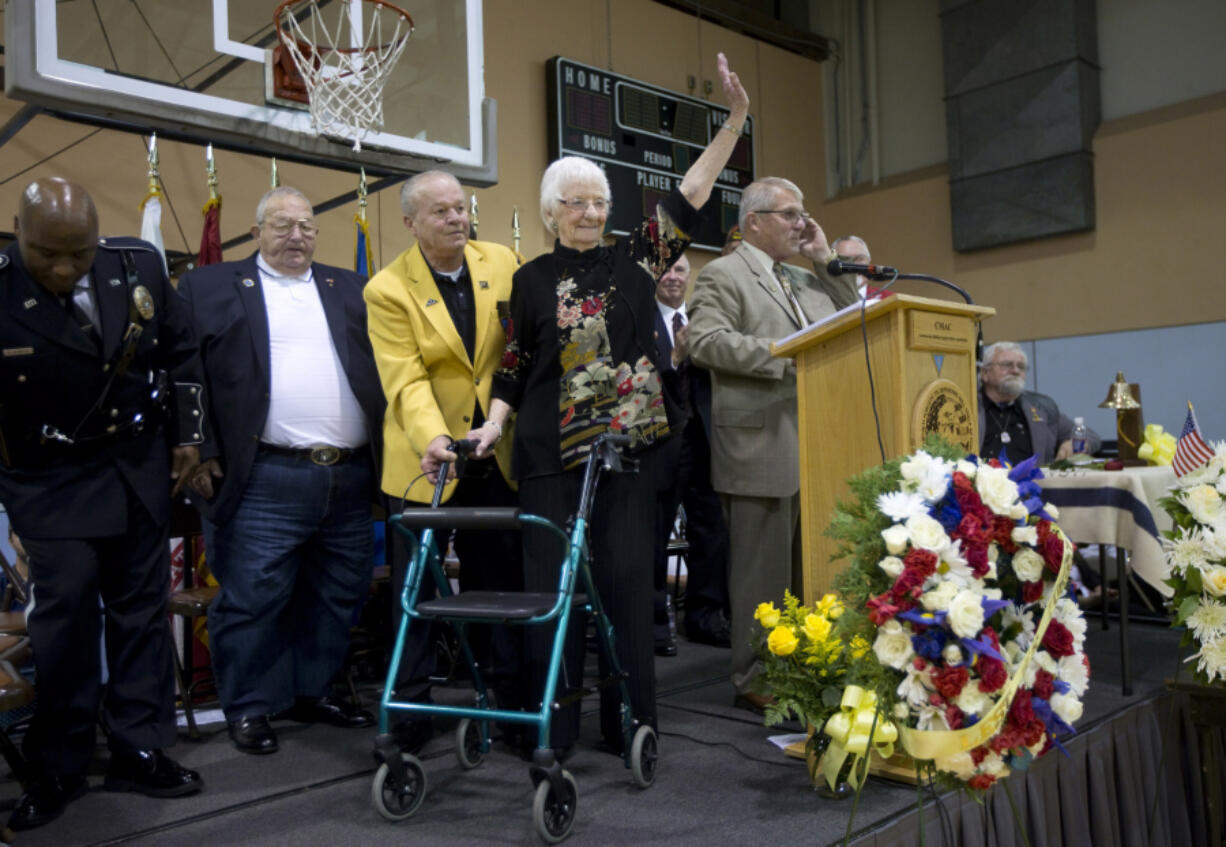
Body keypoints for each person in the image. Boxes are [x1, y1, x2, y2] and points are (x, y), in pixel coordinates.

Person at [468, 52, 749, 757]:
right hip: (544, 456)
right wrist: (493, 424)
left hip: (625, 454)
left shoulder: (637, 262)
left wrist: (736, 120)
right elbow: (512, 366)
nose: (591, 211)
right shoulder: (529, 281)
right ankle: (552, 733)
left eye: (599, 201)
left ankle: (630, 725)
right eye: (576, 201)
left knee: (626, 592)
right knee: (552, 596)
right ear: (550, 212)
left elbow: (691, 190)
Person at [0, 177, 205, 830]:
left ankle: (138, 744)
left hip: (134, 470)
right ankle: (58, 758)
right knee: (63, 620)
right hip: (46, 476)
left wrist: (190, 437)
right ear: (18, 232)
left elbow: (182, 352)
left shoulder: (136, 265)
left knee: (141, 613)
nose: (63, 269)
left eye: (78, 254)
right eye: (46, 254)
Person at [179, 186, 385, 755]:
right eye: (282, 225)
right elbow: (184, 372)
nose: (297, 236)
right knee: (252, 597)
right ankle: (248, 706)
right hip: (263, 476)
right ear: (256, 230)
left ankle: (312, 690)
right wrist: (198, 446)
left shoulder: (352, 287)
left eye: (308, 226)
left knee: (338, 592)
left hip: (347, 477)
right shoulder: (208, 286)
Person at [363, 170, 525, 753]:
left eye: (461, 208)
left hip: (497, 451)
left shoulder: (503, 261)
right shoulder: (387, 288)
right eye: (441, 213)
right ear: (410, 223)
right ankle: (409, 714)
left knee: (501, 588)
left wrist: (497, 423)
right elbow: (404, 380)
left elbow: (517, 350)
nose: (457, 219)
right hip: (423, 461)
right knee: (416, 592)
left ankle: (509, 708)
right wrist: (436, 439)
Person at [687, 177, 858, 709]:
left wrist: (825, 258)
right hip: (759, 444)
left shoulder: (804, 281)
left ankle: (807, 665)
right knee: (761, 574)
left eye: (803, 214)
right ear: (754, 221)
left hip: (815, 441)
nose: (801, 223)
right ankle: (756, 678)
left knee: (811, 567)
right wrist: (784, 352)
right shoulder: (723, 273)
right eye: (790, 214)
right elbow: (704, 341)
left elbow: (851, 314)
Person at [652, 252, 731, 653]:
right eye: (665, 269)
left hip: (704, 439)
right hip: (662, 442)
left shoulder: (705, 318)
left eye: (680, 269)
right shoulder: (640, 321)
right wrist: (674, 357)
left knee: (711, 529)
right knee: (655, 531)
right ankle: (652, 625)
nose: (673, 277)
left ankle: (705, 618)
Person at [977, 341, 1101, 465]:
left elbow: (1092, 437)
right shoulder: (970, 407)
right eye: (1007, 365)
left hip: (1035, 482)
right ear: (984, 373)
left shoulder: (1041, 407)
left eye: (1021, 366)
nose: (1015, 371)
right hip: (983, 482)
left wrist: (1073, 444)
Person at [831, 234, 892, 301]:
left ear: (869, 262)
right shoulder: (823, 300)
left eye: (859, 259)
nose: (853, 266)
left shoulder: (889, 299)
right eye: (845, 260)